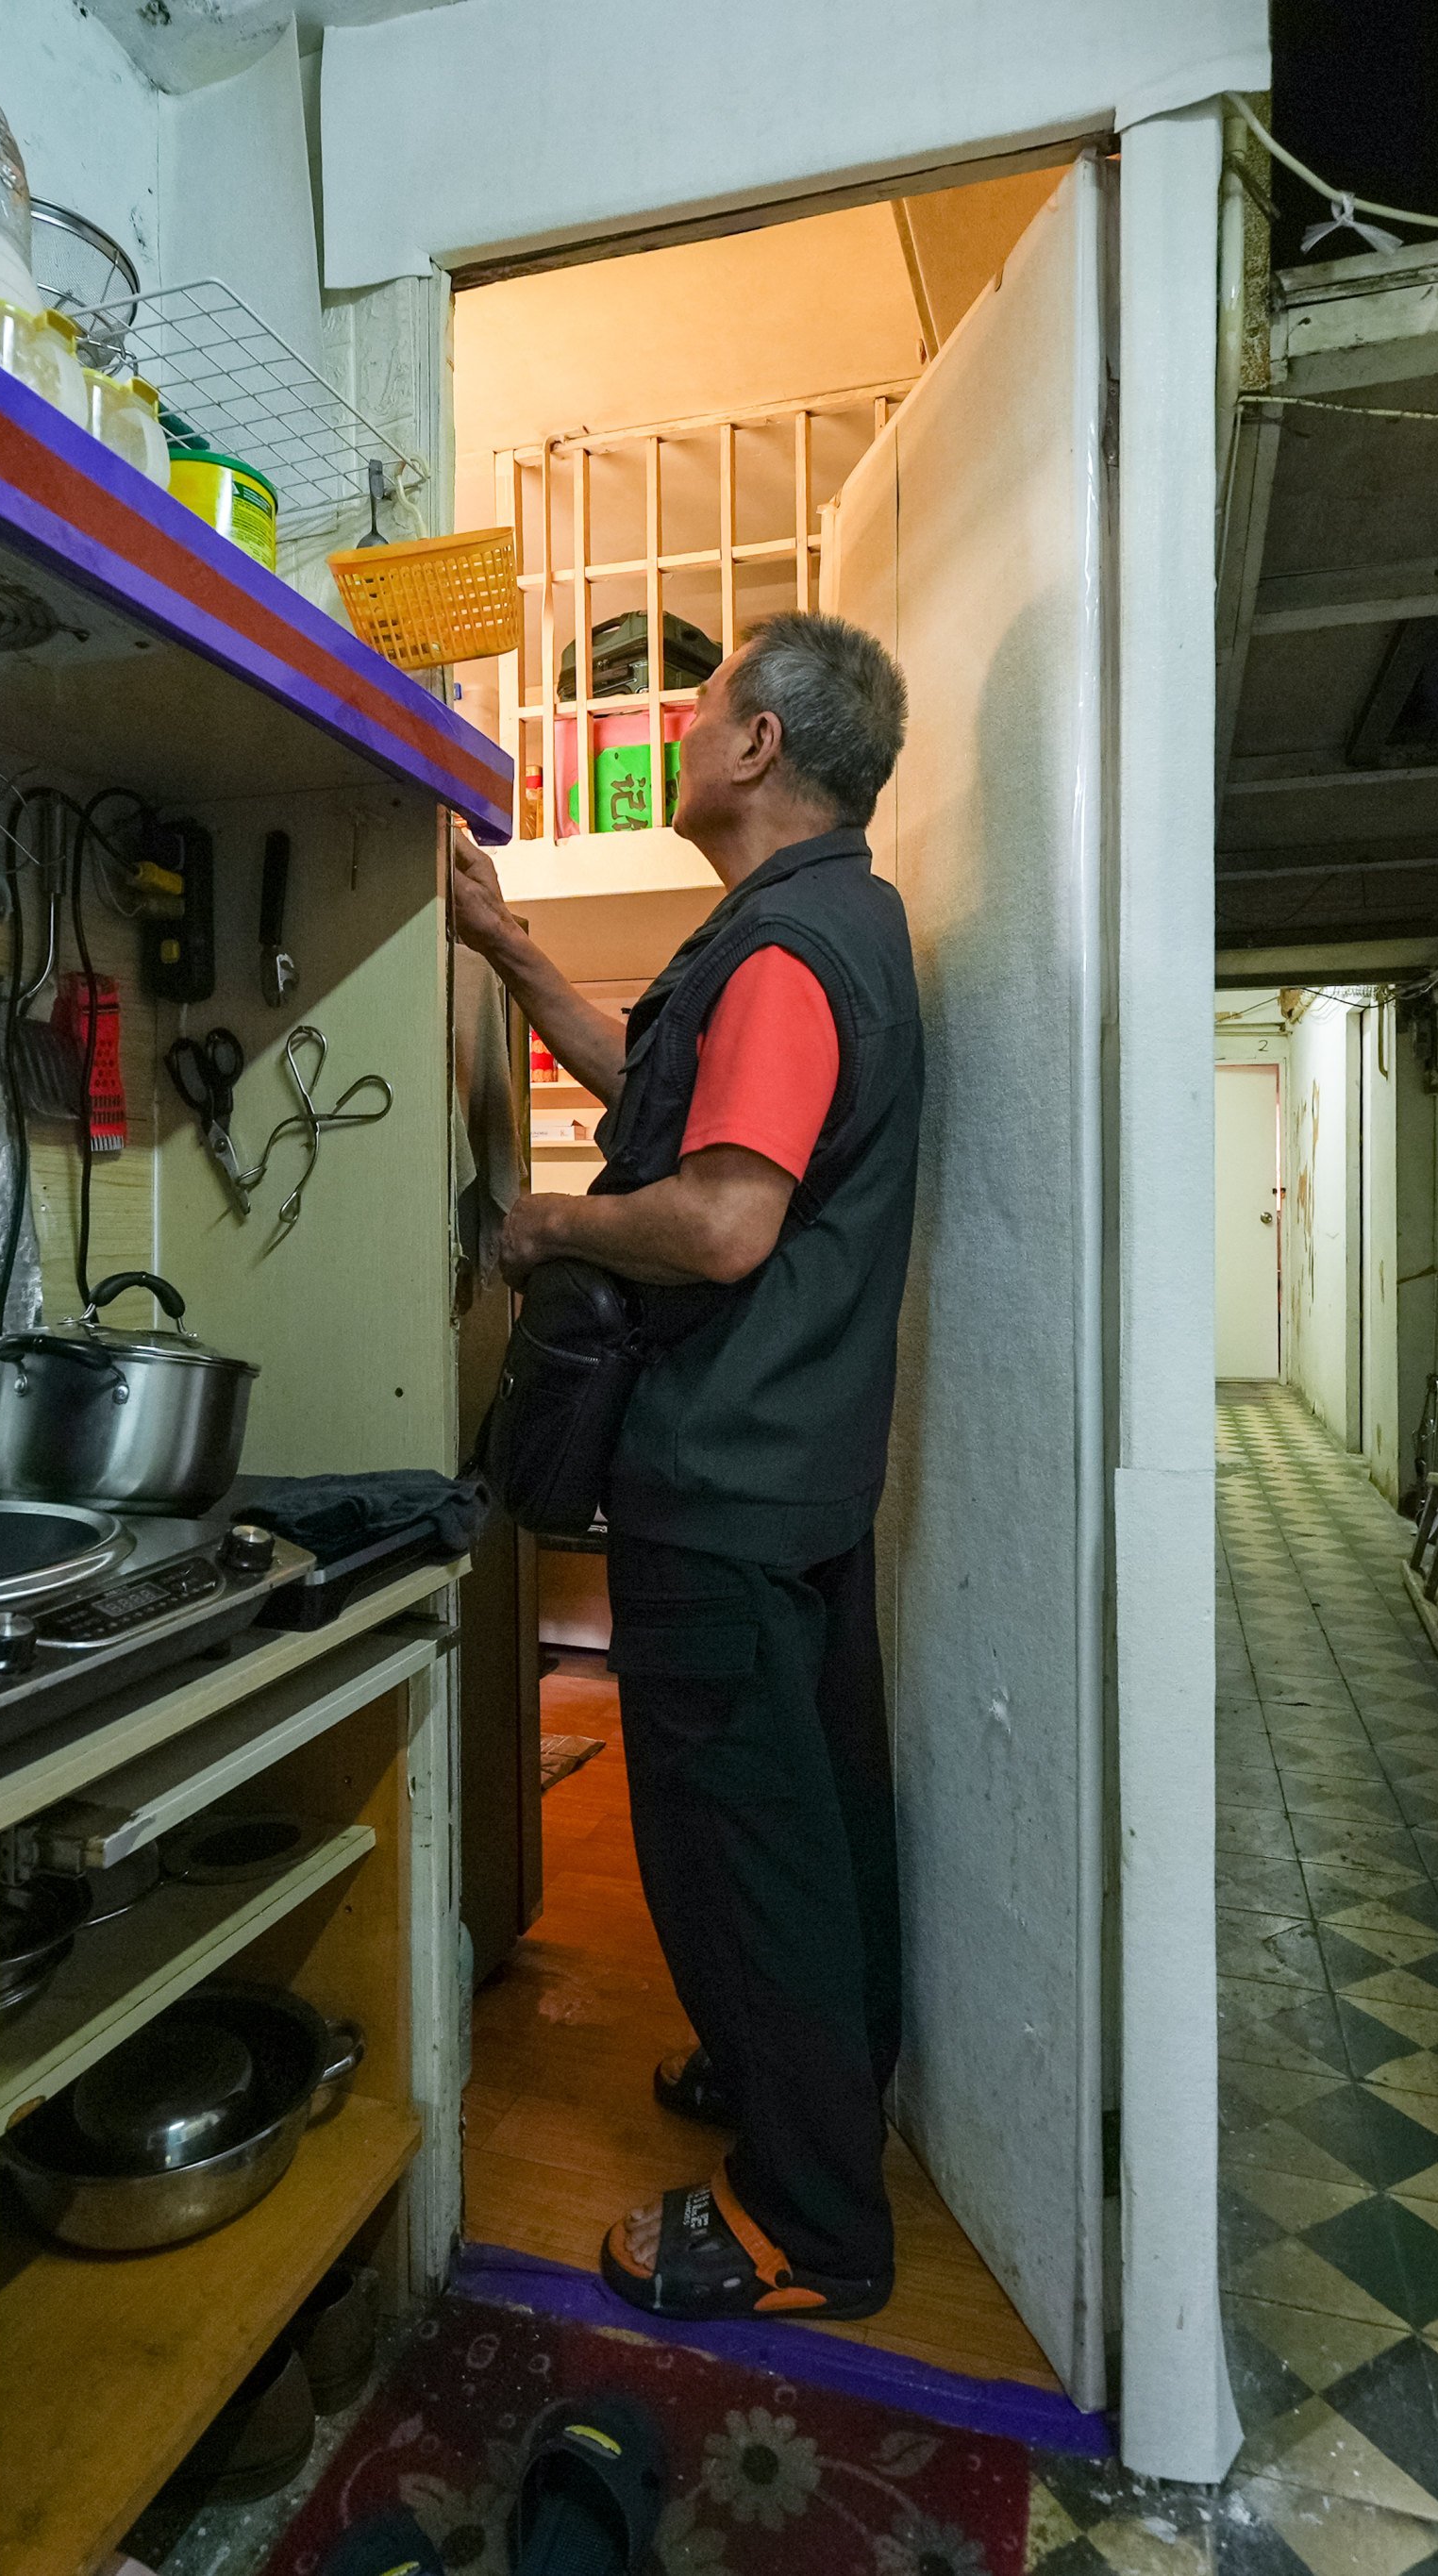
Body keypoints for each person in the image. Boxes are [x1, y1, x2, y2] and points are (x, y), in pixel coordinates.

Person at [447, 611, 924, 2323]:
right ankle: (796, 2084)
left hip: (723, 1483)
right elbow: (675, 1111)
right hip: (787, 1473)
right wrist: (508, 954)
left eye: (700, 704)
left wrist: (551, 1223)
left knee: (746, 1851)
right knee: (809, 1824)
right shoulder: (802, 933)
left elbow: (722, 1222)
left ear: (759, 750)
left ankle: (809, 2221)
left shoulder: (787, 957)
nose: (673, 725)